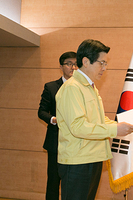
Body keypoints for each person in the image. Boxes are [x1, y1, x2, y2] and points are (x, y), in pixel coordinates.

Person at [55, 39, 133, 200]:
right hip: (77, 162)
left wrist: (120, 125)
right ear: (85, 62)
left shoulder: (90, 87)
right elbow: (78, 127)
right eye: (102, 63)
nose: (105, 68)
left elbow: (98, 120)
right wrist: (115, 130)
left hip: (92, 158)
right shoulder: (73, 88)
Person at [38, 51, 77, 200]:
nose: (72, 67)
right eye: (69, 64)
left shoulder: (82, 87)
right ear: (61, 66)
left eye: (75, 64)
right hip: (56, 141)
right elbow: (41, 112)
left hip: (76, 143)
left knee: (72, 182)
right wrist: (54, 119)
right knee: (54, 181)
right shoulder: (51, 87)